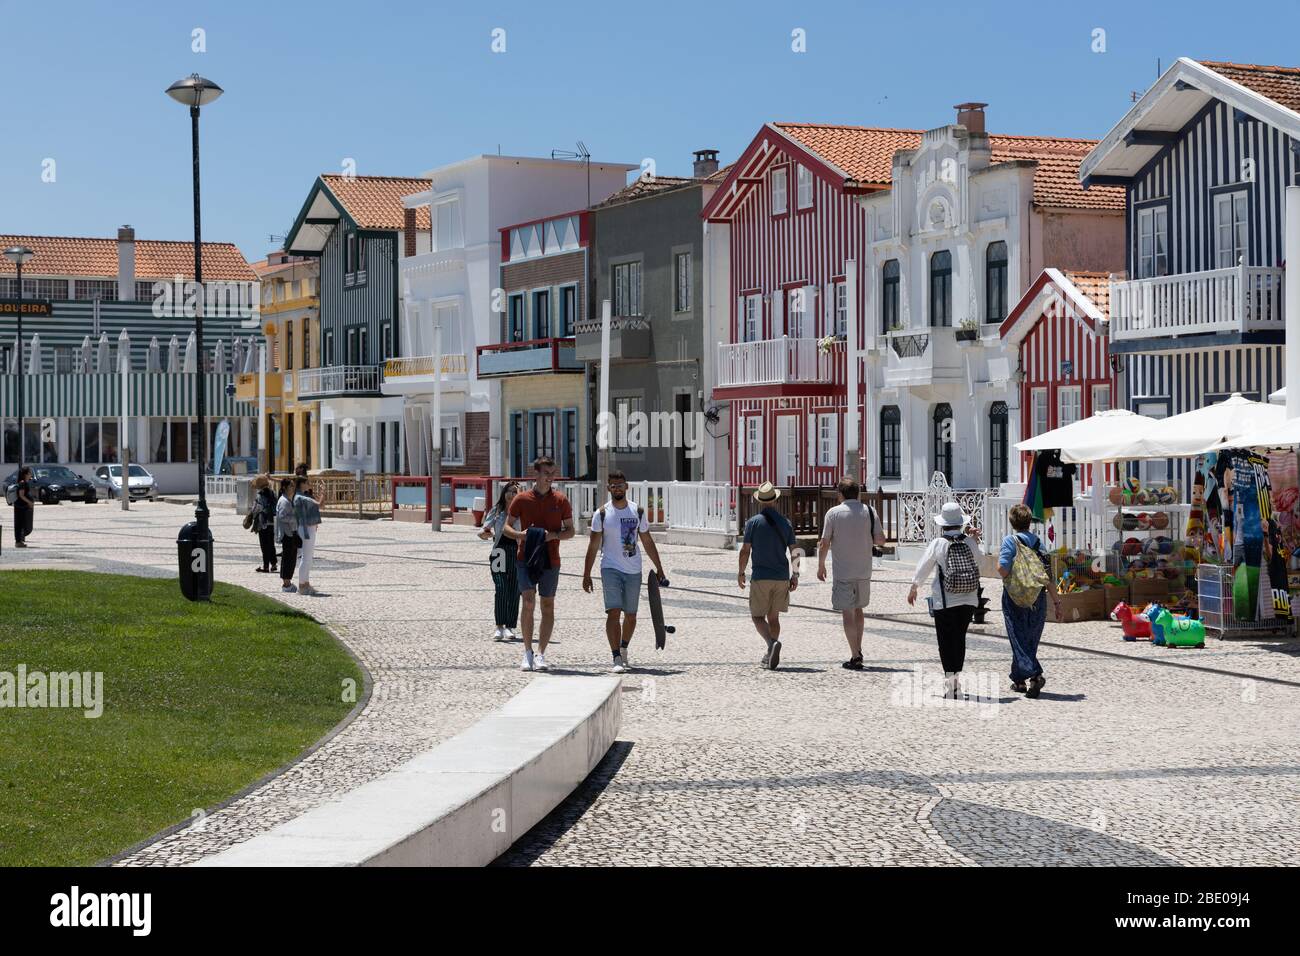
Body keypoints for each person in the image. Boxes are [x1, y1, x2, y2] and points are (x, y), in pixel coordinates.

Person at [582, 470, 666, 674]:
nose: (617, 488)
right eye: (613, 485)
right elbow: (593, 546)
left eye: (621, 485)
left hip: (633, 569)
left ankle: (624, 647)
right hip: (610, 567)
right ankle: (616, 656)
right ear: (609, 487)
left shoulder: (637, 511)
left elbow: (646, 541)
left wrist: (659, 567)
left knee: (631, 616)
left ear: (626, 487)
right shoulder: (601, 514)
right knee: (613, 612)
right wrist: (586, 574)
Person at [502, 457, 574, 672]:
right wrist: (521, 535)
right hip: (525, 559)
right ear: (536, 474)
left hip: (551, 560)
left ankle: (541, 653)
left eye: (553, 473)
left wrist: (552, 536)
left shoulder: (561, 500)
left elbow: (570, 530)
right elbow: (506, 528)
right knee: (528, 602)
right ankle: (527, 653)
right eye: (546, 473)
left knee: (547, 605)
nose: (550, 477)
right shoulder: (522, 499)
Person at [907, 501, 983, 699]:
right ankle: (956, 680)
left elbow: (924, 566)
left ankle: (952, 685)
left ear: (943, 524)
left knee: (946, 642)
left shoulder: (938, 543)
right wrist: (974, 539)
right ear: (960, 523)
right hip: (968, 599)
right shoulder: (969, 542)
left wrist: (914, 587)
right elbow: (980, 563)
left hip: (945, 601)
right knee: (959, 640)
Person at [818, 476, 887, 670]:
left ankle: (855, 654)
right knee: (859, 610)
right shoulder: (869, 511)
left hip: (843, 571)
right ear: (858, 493)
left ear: (840, 494)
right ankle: (858, 650)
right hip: (864, 570)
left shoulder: (833, 513)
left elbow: (825, 543)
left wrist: (821, 565)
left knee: (847, 613)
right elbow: (881, 540)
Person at [738, 482, 802, 670]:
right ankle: (770, 652)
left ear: (760, 501)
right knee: (773, 618)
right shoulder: (786, 523)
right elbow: (796, 551)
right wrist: (796, 575)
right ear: (775, 500)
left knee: (757, 616)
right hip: (781, 577)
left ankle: (770, 644)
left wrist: (741, 572)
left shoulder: (753, 523)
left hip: (760, 576)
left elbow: (745, 550)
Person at [998, 503, 1058, 698]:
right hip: (1037, 597)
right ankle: (1020, 681)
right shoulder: (1039, 544)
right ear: (1029, 522)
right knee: (1029, 639)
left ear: (1012, 522)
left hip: (1015, 597)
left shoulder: (1010, 542)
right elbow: (1047, 576)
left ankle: (1035, 674)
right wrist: (1057, 602)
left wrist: (1008, 575)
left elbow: (1003, 569)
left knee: (1017, 637)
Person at [479, 481, 522, 641]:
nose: (512, 495)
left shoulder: (522, 511)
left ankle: (510, 626)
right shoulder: (497, 511)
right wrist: (485, 533)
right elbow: (484, 529)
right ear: (504, 493)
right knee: (501, 587)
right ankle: (499, 626)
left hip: (517, 552)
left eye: (515, 492)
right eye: (509, 491)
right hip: (499, 552)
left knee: (514, 589)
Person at [294, 476, 322, 596]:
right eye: (307, 482)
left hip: (308, 527)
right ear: (302, 484)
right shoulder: (301, 497)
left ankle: (306, 583)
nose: (309, 484)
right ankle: (302, 585)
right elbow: (320, 504)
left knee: (308, 558)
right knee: (306, 558)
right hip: (306, 529)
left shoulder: (302, 496)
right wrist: (323, 491)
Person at [274, 477, 300, 594]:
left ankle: (288, 581)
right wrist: (295, 518)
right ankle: (286, 583)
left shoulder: (288, 500)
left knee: (291, 558)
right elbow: (283, 516)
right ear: (285, 488)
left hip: (290, 532)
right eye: (291, 486)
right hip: (287, 533)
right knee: (288, 558)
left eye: (293, 486)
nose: (293, 488)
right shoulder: (284, 501)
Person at [251, 474, 278, 574]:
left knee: (264, 545)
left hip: (262, 523)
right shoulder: (273, 493)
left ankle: (266, 566)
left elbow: (255, 510)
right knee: (271, 544)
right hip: (272, 522)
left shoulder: (259, 496)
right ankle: (274, 564)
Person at [12, 466, 34, 548]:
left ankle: (19, 541)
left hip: (22, 506)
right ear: (25, 474)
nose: (30, 474)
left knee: (21, 524)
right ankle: (18, 542)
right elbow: (21, 495)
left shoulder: (24, 482)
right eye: (29, 473)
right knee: (19, 524)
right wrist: (29, 502)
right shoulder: (22, 483)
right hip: (20, 506)